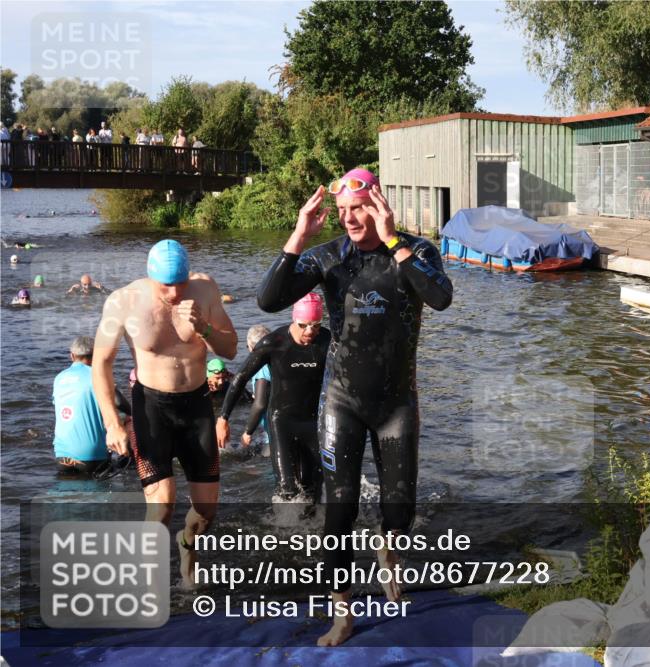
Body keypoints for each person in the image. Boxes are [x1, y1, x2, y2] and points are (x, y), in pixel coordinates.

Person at [257, 167, 452, 646]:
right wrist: (299, 237)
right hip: (342, 401)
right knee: (338, 512)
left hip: (396, 404)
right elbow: (268, 300)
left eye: (357, 209)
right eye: (342, 211)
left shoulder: (417, 250)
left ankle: (388, 546)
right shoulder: (329, 257)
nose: (348, 218)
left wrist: (394, 241)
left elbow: (441, 297)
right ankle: (342, 615)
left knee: (399, 511)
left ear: (378, 204)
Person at [93, 239, 237, 588]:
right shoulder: (124, 301)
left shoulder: (205, 290)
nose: (175, 293)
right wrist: (112, 423)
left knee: (206, 511)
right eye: (166, 286)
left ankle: (187, 543)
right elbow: (100, 364)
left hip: (197, 405)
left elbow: (231, 349)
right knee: (161, 505)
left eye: (180, 283)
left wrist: (204, 328)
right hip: (151, 406)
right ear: (150, 277)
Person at [217, 295, 331, 503]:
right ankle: (284, 523)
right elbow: (240, 378)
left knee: (313, 488)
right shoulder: (274, 343)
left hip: (313, 422)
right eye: (303, 325)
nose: (309, 331)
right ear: (294, 319)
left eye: (316, 325)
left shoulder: (326, 340)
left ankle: (312, 523)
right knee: (287, 489)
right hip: (282, 422)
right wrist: (223, 418)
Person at [52, 336, 131, 475]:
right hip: (92, 456)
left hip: (62, 455)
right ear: (96, 355)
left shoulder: (59, 378)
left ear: (72, 356)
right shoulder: (98, 376)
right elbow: (121, 404)